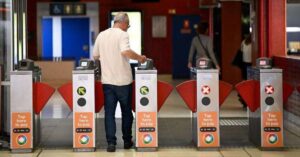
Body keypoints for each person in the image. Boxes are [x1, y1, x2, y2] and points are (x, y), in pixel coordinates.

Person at [93, 12, 147, 152]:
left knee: (109, 113)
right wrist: (140, 58)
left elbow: (95, 55)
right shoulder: (123, 34)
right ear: (123, 23)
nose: (127, 28)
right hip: (123, 81)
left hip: (108, 82)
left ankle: (111, 143)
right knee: (126, 112)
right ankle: (127, 141)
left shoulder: (102, 35)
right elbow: (125, 51)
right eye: (127, 26)